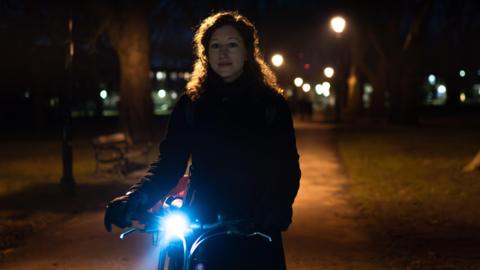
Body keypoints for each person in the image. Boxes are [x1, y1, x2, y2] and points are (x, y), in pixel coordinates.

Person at [104, 11, 301, 269]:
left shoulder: (270, 105)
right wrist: (135, 199)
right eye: (215, 45)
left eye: (232, 44)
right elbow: (169, 164)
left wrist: (275, 209)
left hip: (254, 224)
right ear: (205, 53)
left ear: (247, 52)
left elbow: (286, 168)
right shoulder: (191, 104)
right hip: (200, 218)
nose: (223, 53)